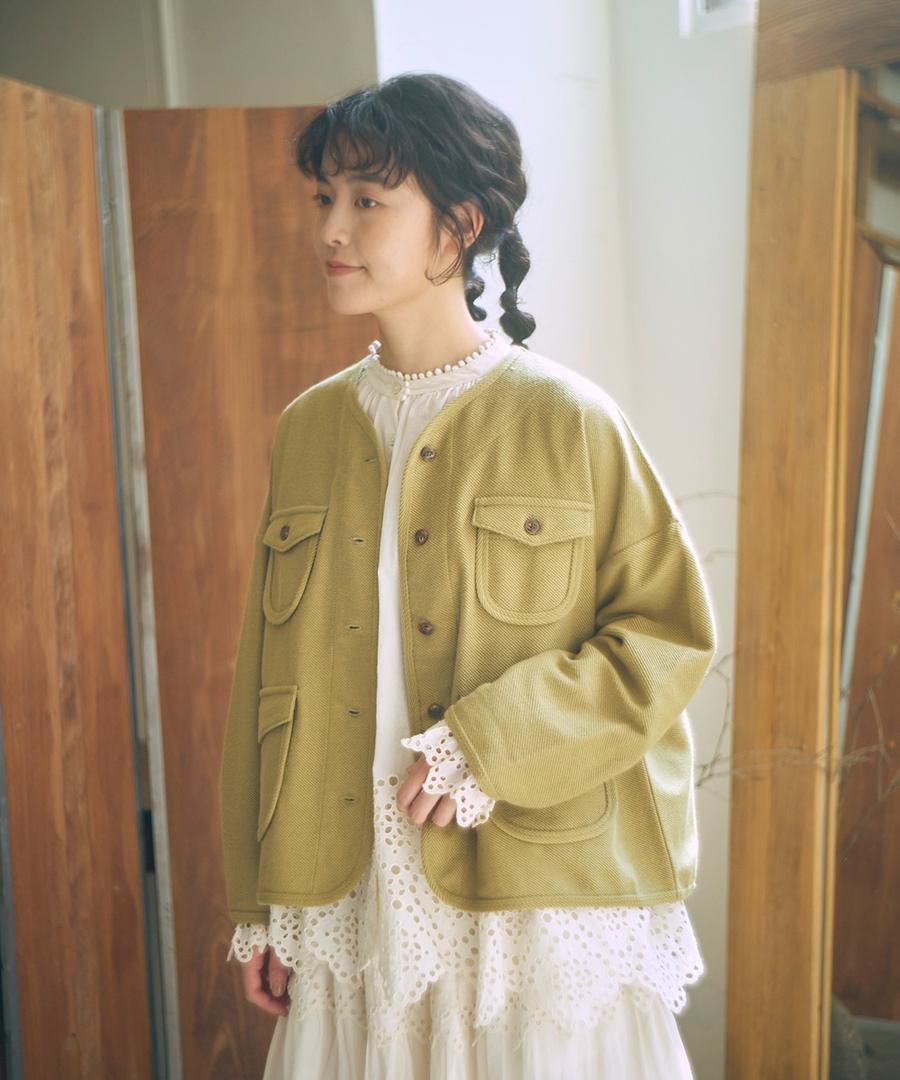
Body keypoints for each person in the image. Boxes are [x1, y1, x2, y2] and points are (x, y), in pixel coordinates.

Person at [218, 71, 716, 1079]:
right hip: (346, 883)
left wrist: (488, 744)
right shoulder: (308, 430)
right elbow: (263, 677)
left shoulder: (570, 420)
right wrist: (258, 900)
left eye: (369, 200)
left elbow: (665, 641)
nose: (333, 228)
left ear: (460, 226)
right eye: (325, 197)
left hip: (532, 890)